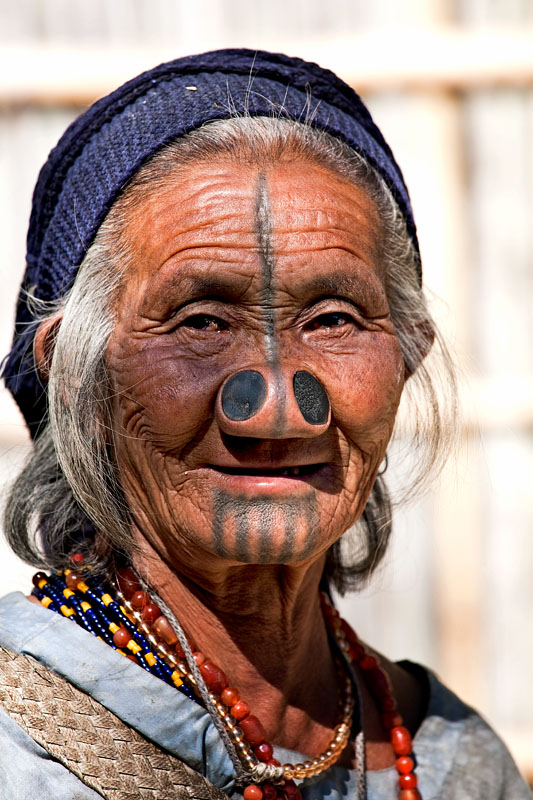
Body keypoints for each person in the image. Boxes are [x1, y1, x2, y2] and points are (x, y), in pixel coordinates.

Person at [0, 49, 529, 800]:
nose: (275, 409)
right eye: (201, 321)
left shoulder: (458, 766)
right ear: (75, 377)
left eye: (333, 319)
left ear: (407, 358)